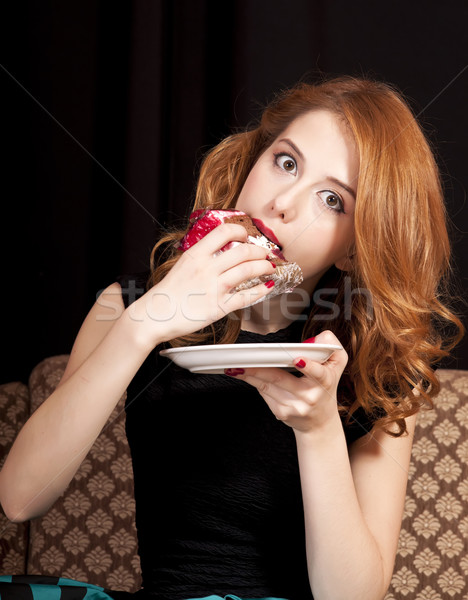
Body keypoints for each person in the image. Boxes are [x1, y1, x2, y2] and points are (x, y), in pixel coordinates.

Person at [0, 76, 463, 600]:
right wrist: (145, 322)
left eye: (332, 199)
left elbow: (352, 596)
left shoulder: (378, 368)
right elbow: (20, 499)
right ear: (252, 164)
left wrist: (318, 431)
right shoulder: (128, 306)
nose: (284, 202)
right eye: (286, 162)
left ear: (353, 250)